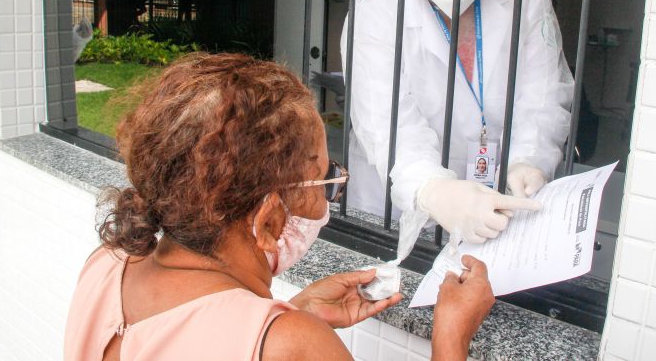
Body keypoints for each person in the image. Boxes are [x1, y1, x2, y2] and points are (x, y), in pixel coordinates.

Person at [64, 53, 495, 361]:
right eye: (326, 180)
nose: (327, 198)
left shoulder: (107, 265)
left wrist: (293, 315)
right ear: (269, 220)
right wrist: (451, 337)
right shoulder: (290, 346)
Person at [340, 0, 574, 256]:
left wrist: (528, 160)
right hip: (392, 207)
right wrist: (434, 190)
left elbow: (543, 93)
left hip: (497, 197)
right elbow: (388, 123)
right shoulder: (376, 12)